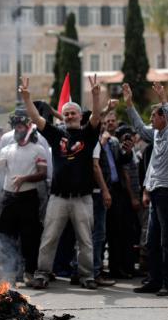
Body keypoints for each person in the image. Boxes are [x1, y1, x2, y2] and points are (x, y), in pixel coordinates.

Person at [19, 75, 107, 290]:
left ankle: (87, 276)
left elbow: (96, 116)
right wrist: (27, 99)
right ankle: (42, 274)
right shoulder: (55, 134)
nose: (69, 116)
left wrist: (96, 96)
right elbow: (36, 118)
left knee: (85, 241)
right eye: (66, 113)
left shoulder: (88, 134)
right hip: (58, 198)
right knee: (49, 238)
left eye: (73, 113)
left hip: (83, 198)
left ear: (79, 115)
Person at [125, 82, 168, 297]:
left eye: (154, 116)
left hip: (167, 192)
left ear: (163, 118)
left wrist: (164, 101)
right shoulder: (157, 135)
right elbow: (140, 128)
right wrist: (129, 104)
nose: (151, 120)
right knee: (152, 241)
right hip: (155, 192)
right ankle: (154, 280)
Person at [0, 114, 47, 286]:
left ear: (27, 128)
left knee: (29, 237)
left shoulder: (37, 149)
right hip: (8, 198)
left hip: (28, 198)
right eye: (15, 127)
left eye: (20, 127)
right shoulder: (6, 150)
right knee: (5, 235)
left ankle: (29, 272)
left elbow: (43, 174)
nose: (17, 130)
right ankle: (8, 273)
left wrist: (24, 178)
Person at [93, 112, 133, 283]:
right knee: (100, 232)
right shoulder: (95, 142)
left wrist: (128, 151)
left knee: (117, 230)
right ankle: (98, 269)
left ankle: (117, 268)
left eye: (109, 122)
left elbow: (121, 161)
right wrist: (102, 142)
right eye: (104, 122)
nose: (106, 125)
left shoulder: (114, 142)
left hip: (116, 190)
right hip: (101, 190)